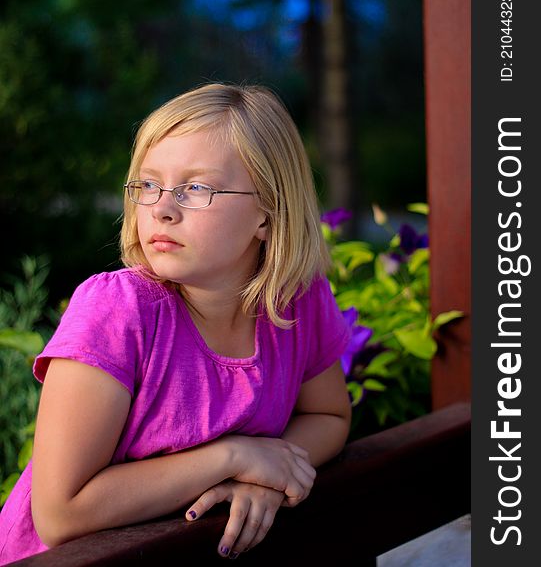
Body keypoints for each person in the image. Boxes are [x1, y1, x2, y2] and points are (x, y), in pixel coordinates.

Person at [0, 83, 352, 563]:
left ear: (267, 214)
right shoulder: (117, 311)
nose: (162, 208)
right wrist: (234, 458)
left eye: (195, 188)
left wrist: (266, 476)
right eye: (148, 184)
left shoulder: (294, 301)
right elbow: (61, 514)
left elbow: (329, 416)